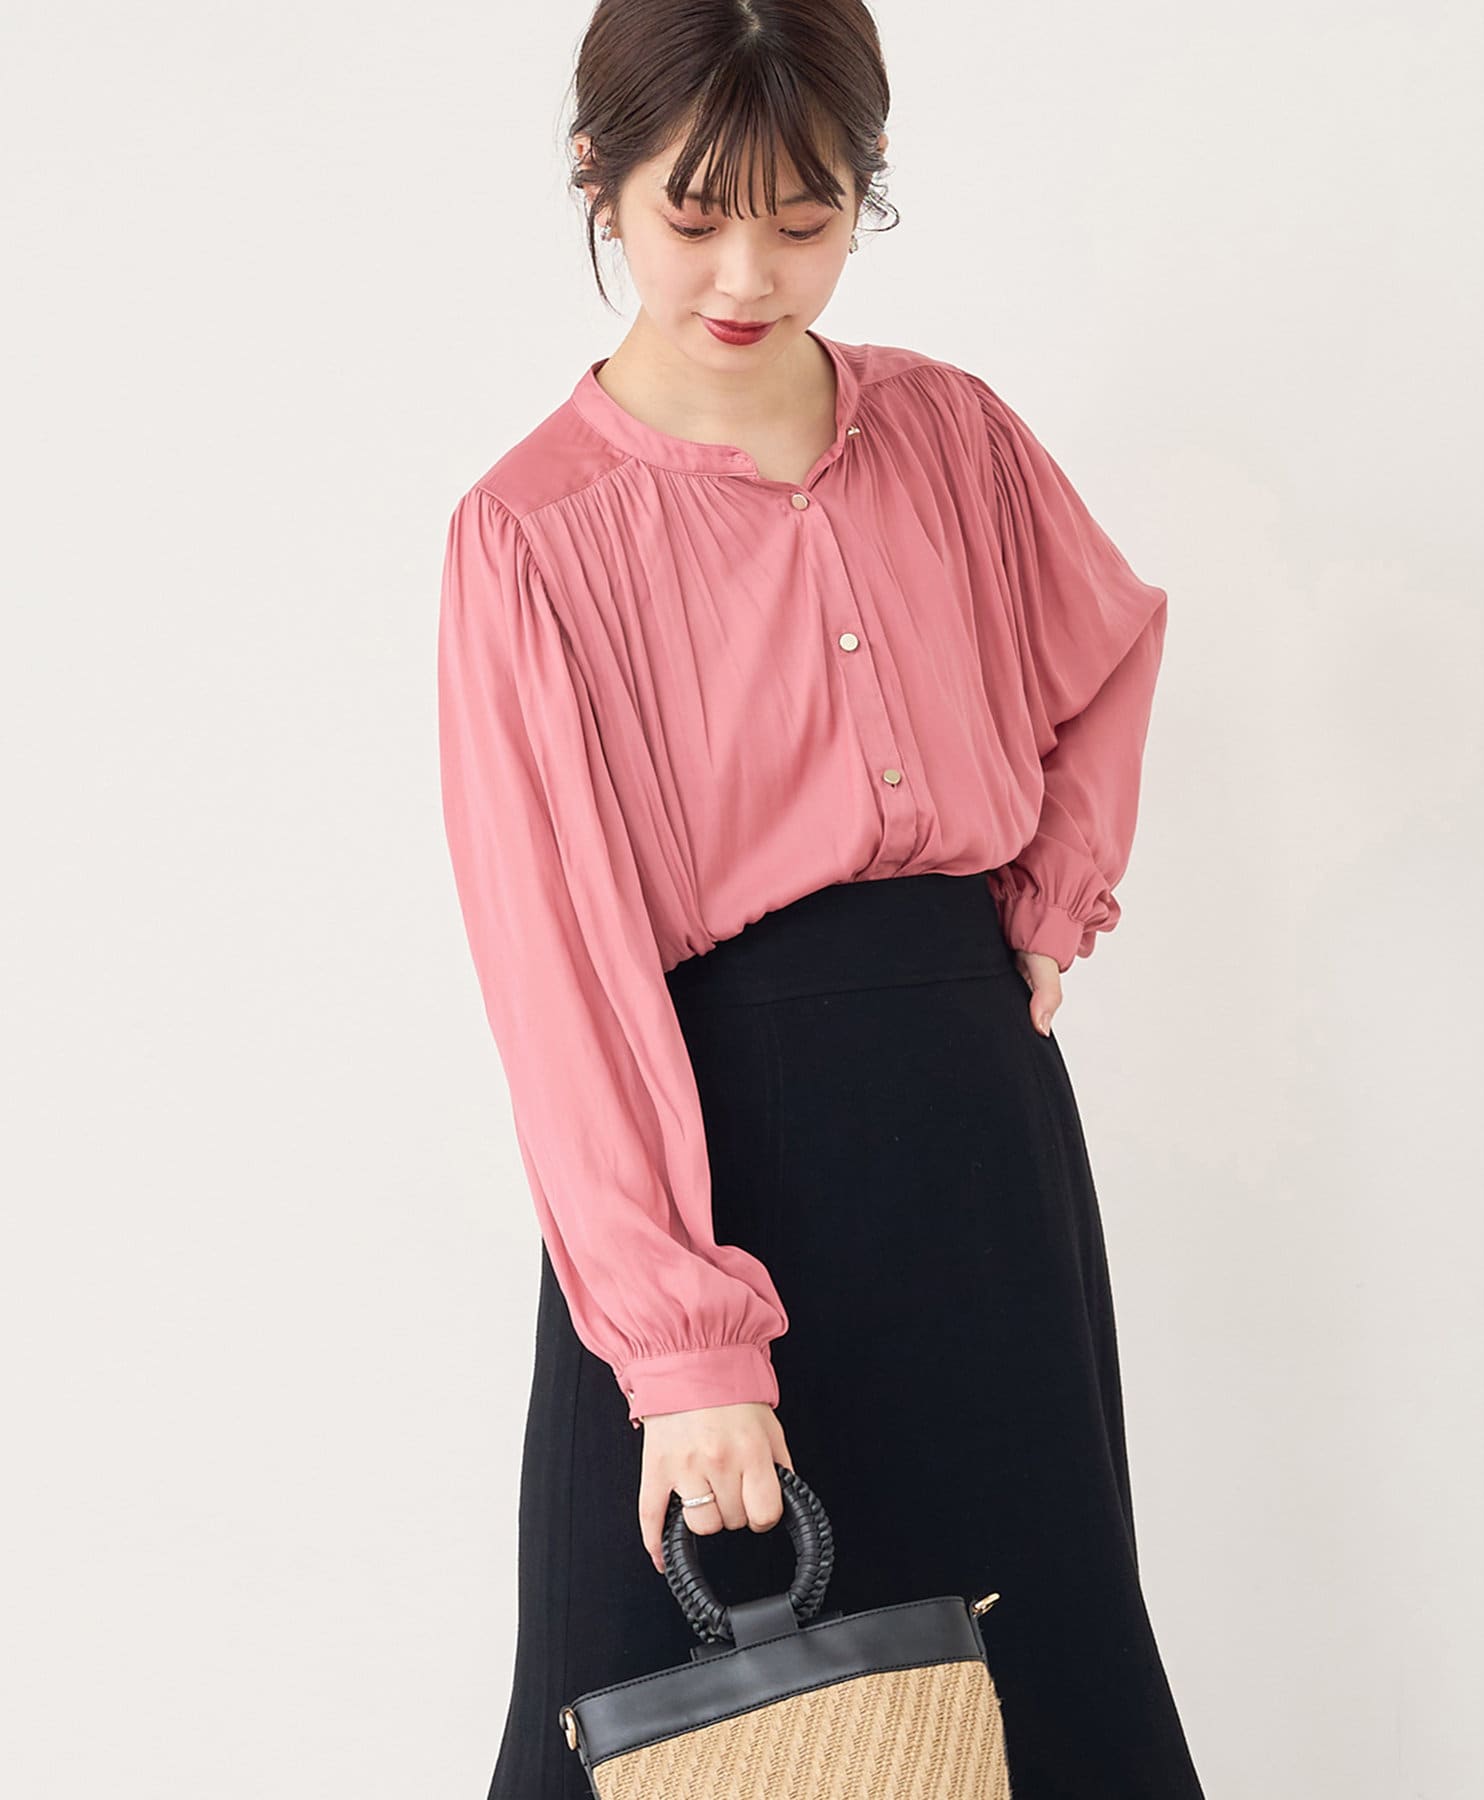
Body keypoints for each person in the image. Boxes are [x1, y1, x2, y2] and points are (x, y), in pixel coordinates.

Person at [436, 2, 1206, 1794]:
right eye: (694, 215)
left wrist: (1052, 895)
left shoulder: (951, 431)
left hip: (978, 1131)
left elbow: (1107, 648)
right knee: (657, 1707)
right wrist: (684, 1348)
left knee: (1038, 1678)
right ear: (596, 177)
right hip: (709, 1145)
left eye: (805, 219)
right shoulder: (531, 534)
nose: (748, 274)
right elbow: (560, 973)